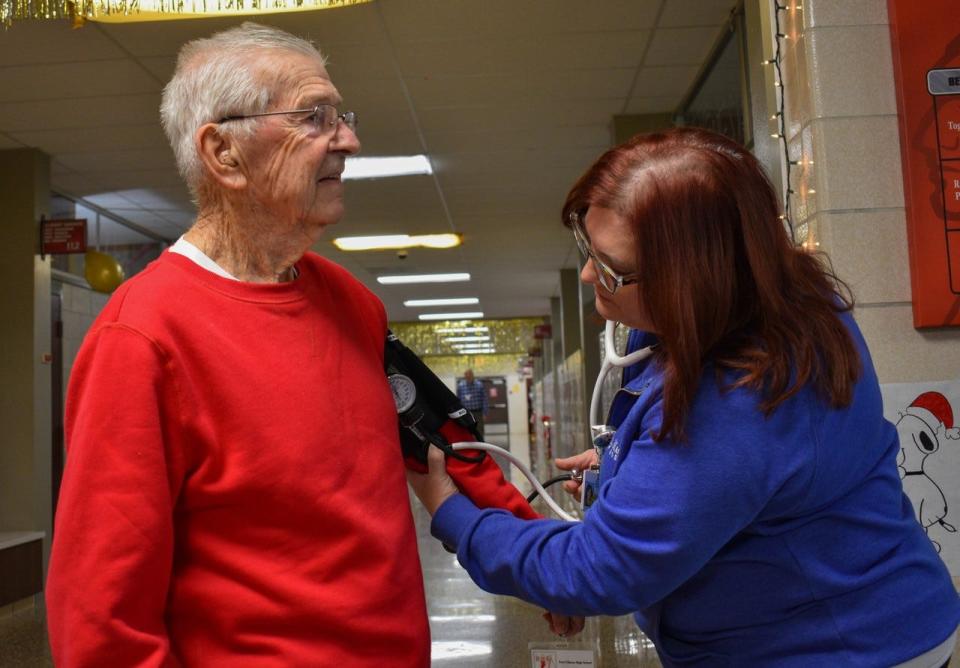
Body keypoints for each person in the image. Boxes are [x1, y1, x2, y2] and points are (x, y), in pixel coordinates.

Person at [408, 127, 960, 666]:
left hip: (838, 647)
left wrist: (450, 512)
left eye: (610, 269)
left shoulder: (734, 402)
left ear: (694, 278)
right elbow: (760, 476)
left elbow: (596, 571)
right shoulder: (786, 296)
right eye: (587, 248)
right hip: (869, 608)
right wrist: (625, 468)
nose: (585, 276)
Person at [45, 23, 430, 666]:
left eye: (342, 116)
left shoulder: (353, 304)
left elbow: (433, 437)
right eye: (315, 117)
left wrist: (534, 548)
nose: (350, 141)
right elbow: (100, 616)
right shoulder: (140, 337)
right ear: (223, 153)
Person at [456, 368, 488, 438]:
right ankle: (470, 447)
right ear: (464, 376)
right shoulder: (460, 386)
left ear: (472, 375)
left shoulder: (479, 385)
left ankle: (481, 447)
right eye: (466, 375)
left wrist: (485, 413)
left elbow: (484, 400)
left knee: (479, 431)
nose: (468, 377)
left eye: (469, 375)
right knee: (468, 431)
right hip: (466, 413)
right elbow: (458, 401)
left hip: (478, 412)